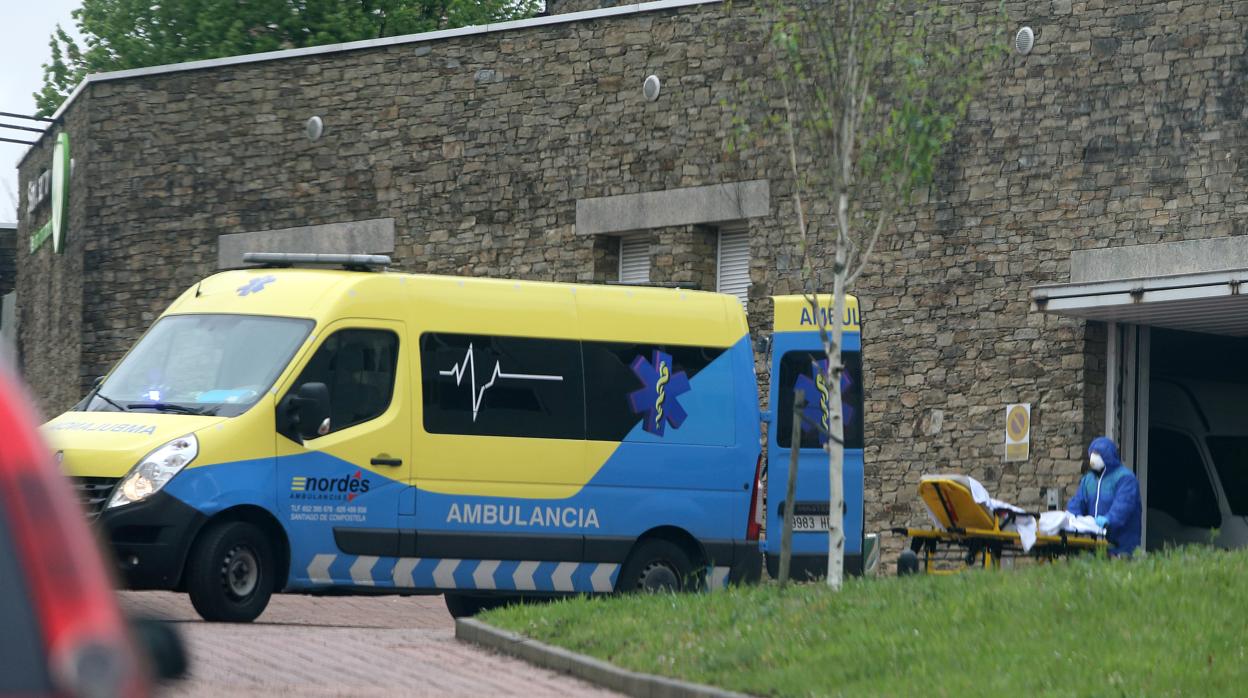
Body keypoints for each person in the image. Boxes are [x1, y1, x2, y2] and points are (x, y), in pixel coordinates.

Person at [1066, 436, 1141, 556]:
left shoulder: (1125, 478)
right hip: (1093, 543)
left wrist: (1109, 519)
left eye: (1097, 453)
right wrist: (1070, 516)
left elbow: (1123, 506)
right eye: (1092, 453)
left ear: (1108, 456)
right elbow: (1078, 501)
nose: (1093, 457)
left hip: (1121, 544)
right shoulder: (1088, 480)